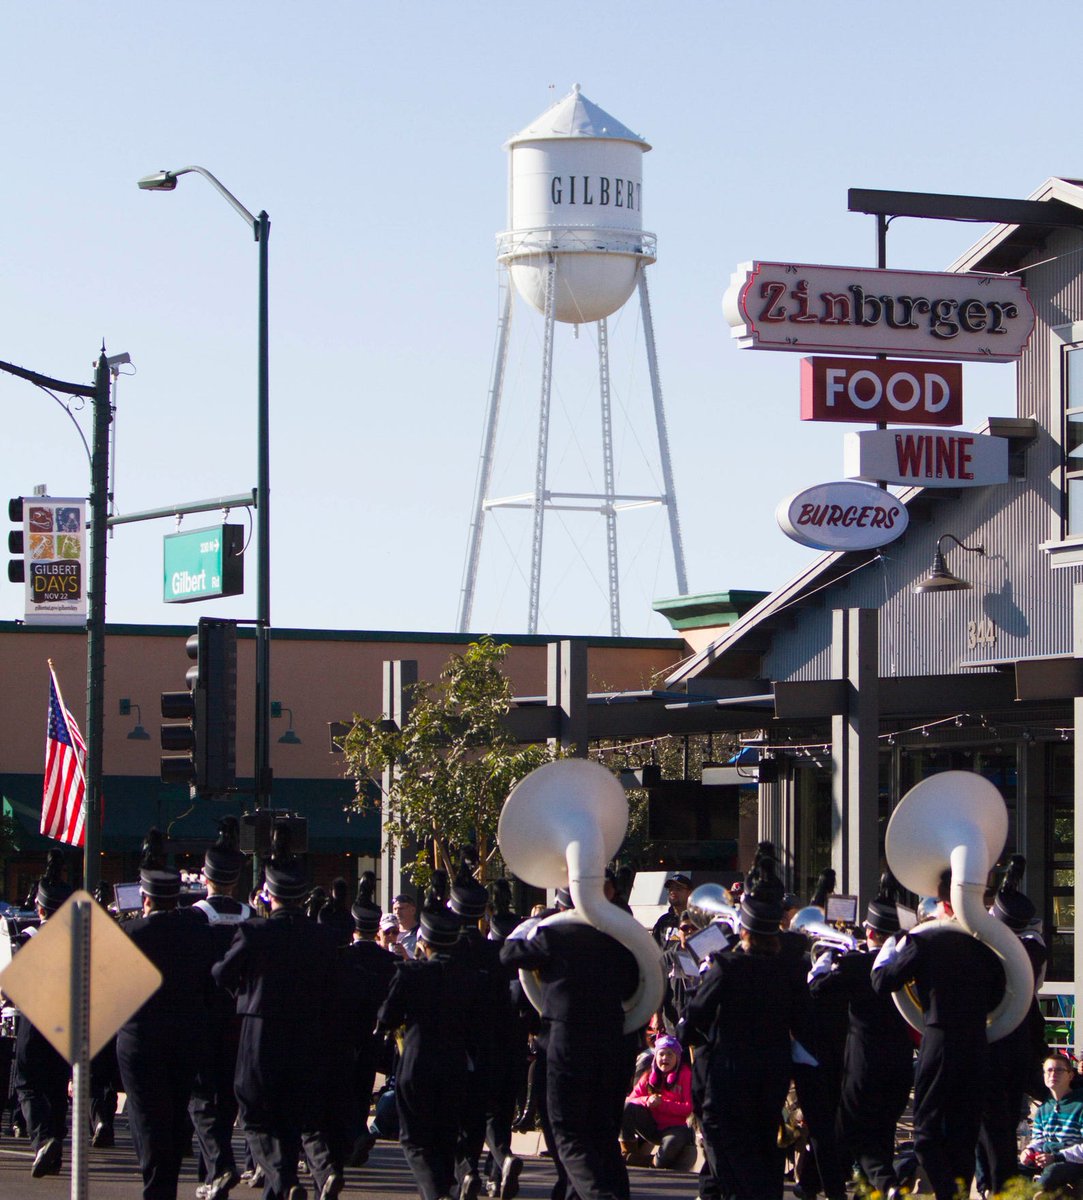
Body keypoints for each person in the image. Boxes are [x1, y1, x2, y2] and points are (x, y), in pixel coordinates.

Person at [213, 830, 342, 1200]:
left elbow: (222, 973)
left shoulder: (254, 932)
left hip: (260, 1029)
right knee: (291, 1115)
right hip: (306, 1032)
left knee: (254, 1113)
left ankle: (284, 1181)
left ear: (269, 895)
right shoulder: (321, 938)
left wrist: (245, 992)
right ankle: (304, 1176)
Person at [871, 867, 1006, 1200]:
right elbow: (998, 996)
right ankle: (958, 1192)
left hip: (940, 1038)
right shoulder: (988, 948)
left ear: (942, 903)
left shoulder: (923, 940)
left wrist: (892, 946)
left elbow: (882, 982)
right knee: (965, 1128)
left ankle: (946, 1194)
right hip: (976, 1043)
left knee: (926, 1131)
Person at [501, 887, 639, 1200]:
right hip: (610, 1044)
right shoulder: (617, 942)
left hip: (566, 1045)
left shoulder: (554, 937)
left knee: (569, 1134)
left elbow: (508, 954)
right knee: (602, 1133)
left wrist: (531, 925)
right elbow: (635, 986)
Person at [680, 883, 810, 1200]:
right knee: (765, 1156)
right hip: (773, 1079)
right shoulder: (791, 970)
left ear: (745, 933)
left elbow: (692, 1020)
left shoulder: (726, 967)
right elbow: (805, 1023)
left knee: (728, 1159)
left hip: (729, 1080)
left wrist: (705, 973)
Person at [118, 846, 218, 1200]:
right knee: (177, 1114)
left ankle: (157, 1187)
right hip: (187, 1033)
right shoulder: (198, 932)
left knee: (146, 1116)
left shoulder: (130, 932)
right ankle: (168, 1182)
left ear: (145, 897)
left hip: (141, 1036)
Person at [809, 874, 914, 1200]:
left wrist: (823, 965)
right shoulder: (910, 964)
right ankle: (872, 1191)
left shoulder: (855, 964)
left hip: (863, 1064)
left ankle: (881, 1184)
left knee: (852, 1130)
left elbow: (817, 990)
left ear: (869, 931)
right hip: (900, 1064)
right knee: (882, 1130)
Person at [377, 891, 480, 1200]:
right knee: (445, 1137)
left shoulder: (412, 973)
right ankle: (445, 1185)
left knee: (414, 1141)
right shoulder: (469, 978)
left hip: (418, 1063)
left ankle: (436, 1193)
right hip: (455, 1064)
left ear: (425, 942)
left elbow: (387, 1016)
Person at [189, 819, 253, 1200]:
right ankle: (211, 1175)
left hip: (203, 1019)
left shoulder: (194, 920)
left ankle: (219, 1166)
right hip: (242, 1022)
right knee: (227, 1101)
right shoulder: (252, 921)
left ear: (206, 878)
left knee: (201, 1102)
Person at [978, 856, 1049, 1195]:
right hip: (1018, 1042)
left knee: (992, 1122)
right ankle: (997, 1183)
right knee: (1002, 1122)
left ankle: (992, 1183)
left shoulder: (988, 948)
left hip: (993, 1042)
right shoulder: (1032, 947)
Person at [12, 850, 72, 1178]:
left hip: (35, 1020)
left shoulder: (26, 939)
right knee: (56, 1084)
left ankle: (44, 1138)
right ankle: (56, 1147)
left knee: (27, 1083)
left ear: (40, 908)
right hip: (65, 1022)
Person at [342, 871, 400, 1168]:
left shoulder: (344, 958)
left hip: (345, 1033)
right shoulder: (389, 962)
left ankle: (352, 1135)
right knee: (363, 1087)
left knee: (344, 1087)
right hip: (375, 1033)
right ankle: (356, 1132)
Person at [620, 1034, 693, 1169]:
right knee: (625, 1107)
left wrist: (662, 1104)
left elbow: (688, 1108)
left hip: (675, 1129)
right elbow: (631, 1099)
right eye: (661, 1054)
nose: (665, 1058)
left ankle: (640, 1161)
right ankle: (628, 1151)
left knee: (662, 1160)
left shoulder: (685, 1074)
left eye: (670, 1054)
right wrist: (646, 1100)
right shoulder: (649, 1075)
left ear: (677, 1057)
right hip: (652, 1126)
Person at [1021, 1054, 1083, 1194]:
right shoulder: (1044, 1108)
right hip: (1047, 1157)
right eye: (1048, 1070)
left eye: (1059, 1070)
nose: (1053, 1074)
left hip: (1073, 1161)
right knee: (1018, 1168)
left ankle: (1038, 1194)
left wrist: (1057, 1157)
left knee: (1053, 1172)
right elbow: (1039, 1139)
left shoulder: (1080, 1105)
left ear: (1071, 1076)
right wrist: (1029, 1151)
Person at [651, 873, 691, 947]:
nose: (673, 892)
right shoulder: (663, 921)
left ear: (689, 893)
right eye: (670, 889)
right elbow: (653, 949)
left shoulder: (696, 920)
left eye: (678, 889)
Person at [393, 893, 420, 959]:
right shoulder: (389, 932)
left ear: (412, 910)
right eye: (395, 909)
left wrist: (407, 957)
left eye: (401, 908)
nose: (397, 912)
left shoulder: (420, 933)